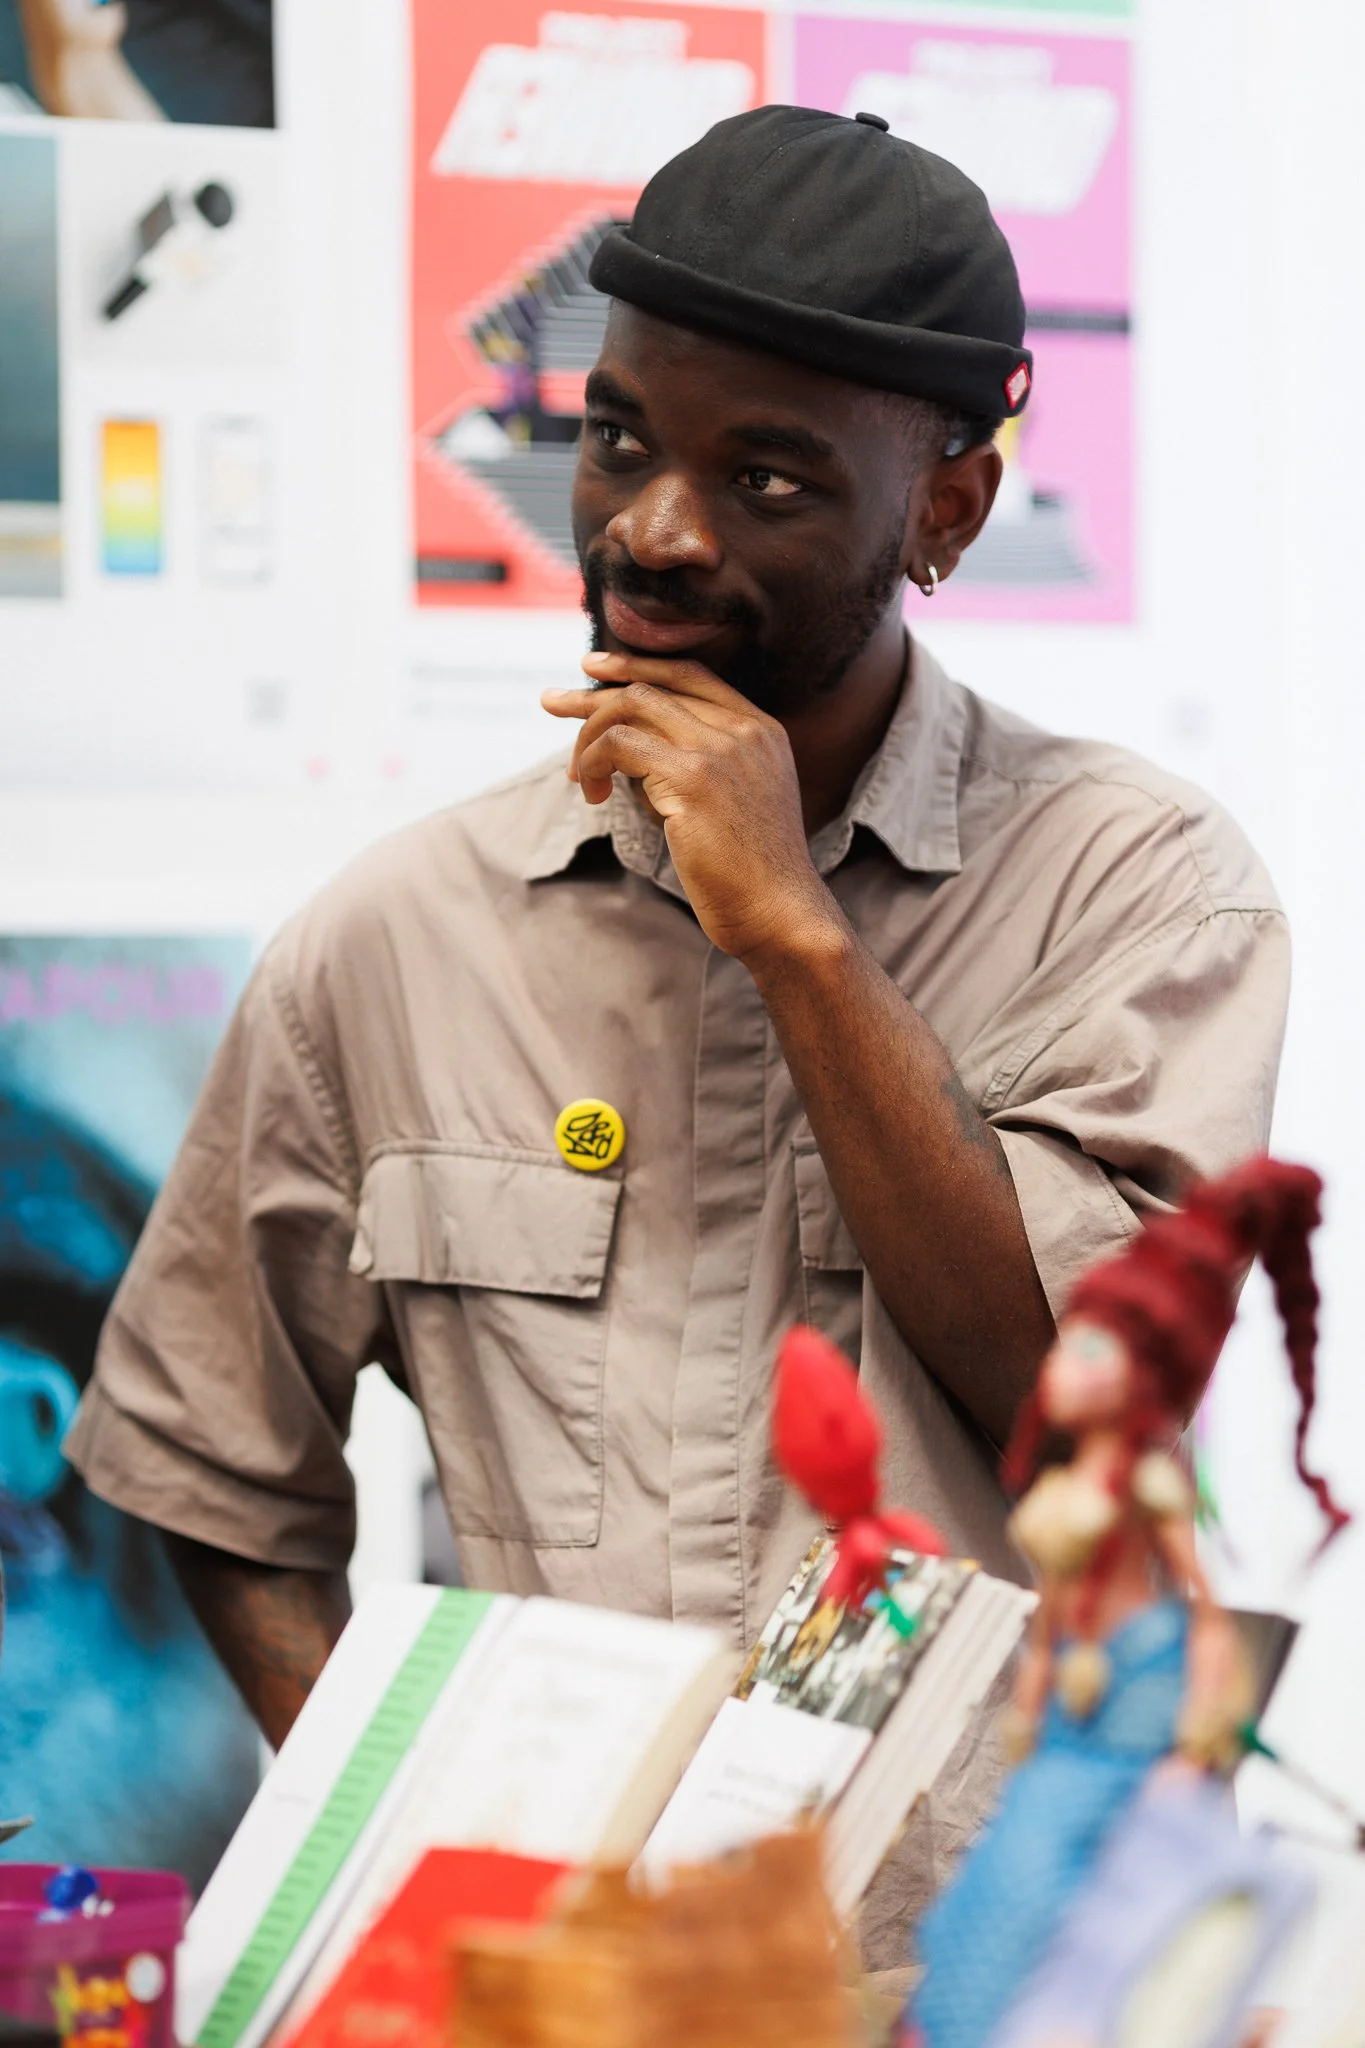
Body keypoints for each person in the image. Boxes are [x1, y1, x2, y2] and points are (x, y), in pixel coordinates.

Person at [65, 106, 1289, 1957]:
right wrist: (397, 1866)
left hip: (985, 1986)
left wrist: (794, 932)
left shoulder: (1138, 891)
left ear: (947, 502)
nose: (652, 526)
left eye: (770, 479)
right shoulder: (395, 938)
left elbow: (1073, 1405)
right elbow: (204, 1464)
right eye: (619, 436)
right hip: (564, 1994)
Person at [905, 1157, 1348, 2047]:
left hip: (1139, 1681)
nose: (1067, 1366)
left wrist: (1202, 1730)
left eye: (1092, 1350)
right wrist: (1035, 1682)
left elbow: (1203, 1610)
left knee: (1072, 1874)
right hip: (1078, 1688)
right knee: (1006, 1872)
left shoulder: (1144, 1489)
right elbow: (1057, 1601)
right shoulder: (1080, 1483)